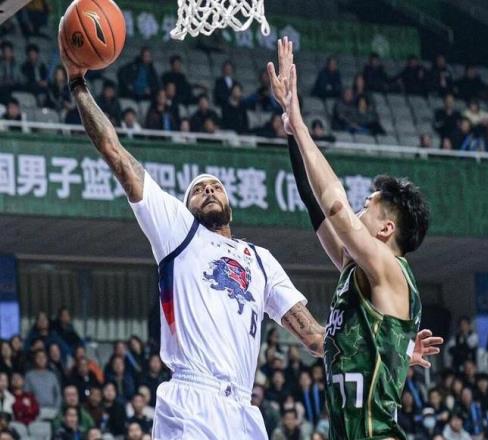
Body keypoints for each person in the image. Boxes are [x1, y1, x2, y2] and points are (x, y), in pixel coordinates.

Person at [58, 23, 329, 440]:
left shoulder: (260, 260)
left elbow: (315, 337)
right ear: (185, 207)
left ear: (230, 202)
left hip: (243, 410)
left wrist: (393, 349)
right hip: (191, 399)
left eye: (215, 186)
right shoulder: (178, 233)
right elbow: (117, 154)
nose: (208, 190)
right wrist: (78, 83)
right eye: (198, 190)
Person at [268, 36, 443, 440]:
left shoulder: (389, 267)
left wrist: (299, 123)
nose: (356, 213)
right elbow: (316, 206)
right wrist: (290, 131)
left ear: (386, 230)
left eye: (367, 206)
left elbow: (334, 207)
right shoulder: (358, 270)